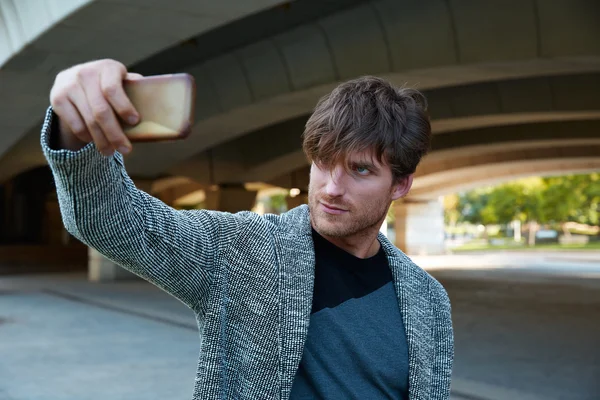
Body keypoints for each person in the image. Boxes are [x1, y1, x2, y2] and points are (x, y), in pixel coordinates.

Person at [42, 59, 453, 399]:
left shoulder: (428, 301)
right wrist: (73, 132)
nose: (331, 188)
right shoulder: (243, 250)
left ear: (400, 184)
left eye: (360, 170)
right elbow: (113, 222)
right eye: (323, 162)